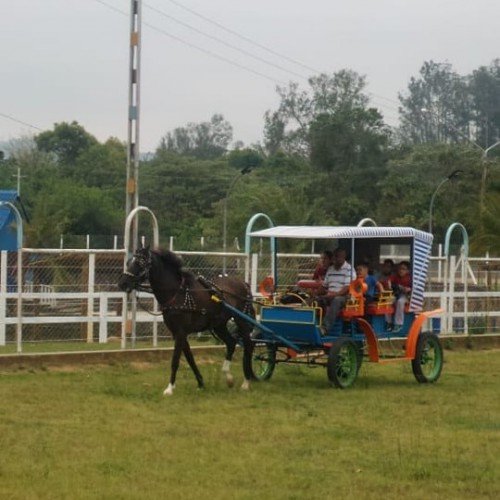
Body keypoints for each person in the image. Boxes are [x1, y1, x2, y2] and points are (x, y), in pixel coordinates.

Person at [321, 248, 352, 332]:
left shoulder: (349, 269)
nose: (335, 259)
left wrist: (335, 294)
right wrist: (315, 294)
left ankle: (324, 328)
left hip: (344, 297)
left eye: (337, 257)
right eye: (334, 257)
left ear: (343, 257)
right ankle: (312, 325)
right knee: (316, 300)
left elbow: (347, 287)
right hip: (330, 295)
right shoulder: (330, 269)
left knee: (337, 300)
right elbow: (324, 286)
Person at [389, 261, 412, 333]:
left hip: (407, 297)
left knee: (400, 302)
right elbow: (389, 280)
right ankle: (389, 323)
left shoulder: (410, 278)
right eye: (399, 269)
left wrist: (409, 289)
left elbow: (414, 288)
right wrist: (389, 284)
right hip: (397, 295)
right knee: (388, 301)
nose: (401, 270)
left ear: (407, 270)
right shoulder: (396, 277)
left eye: (403, 269)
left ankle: (398, 324)